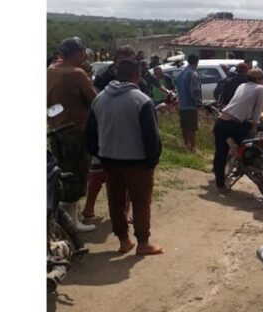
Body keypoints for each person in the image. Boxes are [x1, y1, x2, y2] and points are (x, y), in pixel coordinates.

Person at [86, 58, 164, 256]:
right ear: (137, 76)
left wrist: (101, 154)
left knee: (116, 201)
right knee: (140, 201)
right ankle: (143, 242)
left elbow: (90, 134)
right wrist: (152, 161)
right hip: (137, 161)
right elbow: (152, 136)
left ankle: (123, 240)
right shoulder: (141, 100)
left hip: (109, 160)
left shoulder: (99, 98)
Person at [47, 37, 98, 232]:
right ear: (79, 54)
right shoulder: (77, 74)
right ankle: (72, 221)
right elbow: (94, 101)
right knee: (77, 175)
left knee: (61, 173)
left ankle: (62, 217)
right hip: (76, 132)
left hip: (55, 129)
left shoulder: (50, 71)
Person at [212, 69, 263, 191]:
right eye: (262, 78)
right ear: (258, 79)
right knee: (255, 138)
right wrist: (254, 126)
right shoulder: (260, 89)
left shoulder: (242, 85)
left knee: (220, 154)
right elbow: (258, 110)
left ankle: (220, 184)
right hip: (234, 124)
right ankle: (246, 163)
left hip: (221, 122)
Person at [176, 54, 202, 152]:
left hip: (182, 104)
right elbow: (194, 91)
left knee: (185, 126)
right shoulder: (192, 74)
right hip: (190, 104)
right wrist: (199, 102)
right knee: (192, 127)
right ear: (196, 62)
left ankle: (186, 144)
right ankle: (193, 147)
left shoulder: (181, 73)